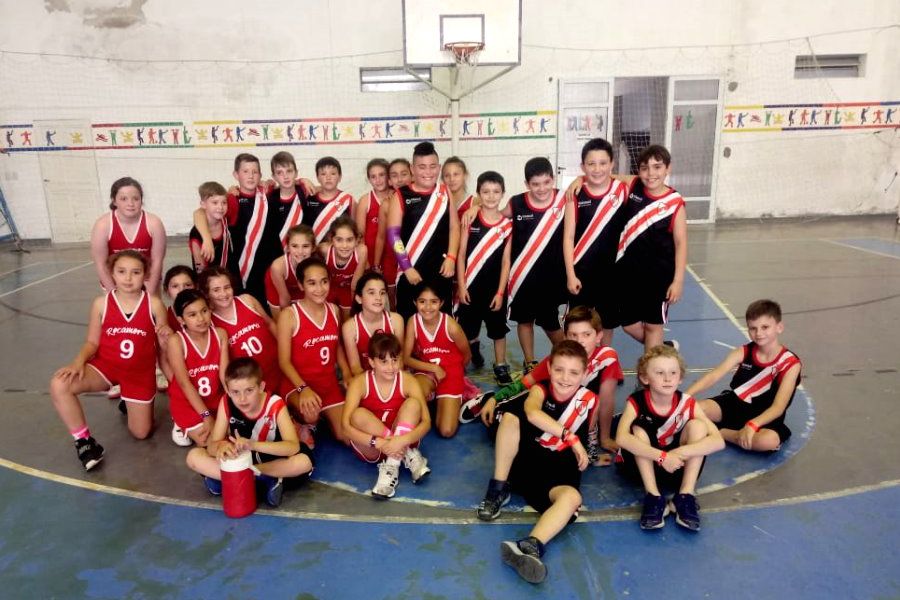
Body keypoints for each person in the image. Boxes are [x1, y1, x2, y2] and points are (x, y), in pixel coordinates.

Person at [476, 341, 596, 584]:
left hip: (558, 472)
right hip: (527, 462)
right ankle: (497, 488)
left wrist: (590, 453)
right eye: (559, 369)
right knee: (511, 418)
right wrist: (570, 437)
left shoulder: (590, 400)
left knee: (572, 498)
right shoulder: (540, 390)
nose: (565, 378)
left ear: (584, 374)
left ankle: (530, 545)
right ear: (549, 368)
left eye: (574, 372)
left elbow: (589, 433)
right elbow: (532, 413)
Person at [49, 250, 170, 470]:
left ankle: (129, 398)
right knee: (60, 384)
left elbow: (163, 349)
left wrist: (170, 372)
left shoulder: (154, 305)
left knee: (141, 433)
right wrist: (78, 362)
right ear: (111, 274)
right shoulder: (101, 304)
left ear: (145, 275)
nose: (128, 278)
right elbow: (92, 343)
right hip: (105, 367)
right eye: (121, 272)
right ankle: (84, 441)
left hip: (139, 374)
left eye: (135, 272)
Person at [615, 345, 724, 531]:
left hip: (676, 466)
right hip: (642, 468)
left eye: (673, 372)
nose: (667, 378)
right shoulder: (636, 401)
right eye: (659, 373)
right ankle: (653, 496)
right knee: (638, 431)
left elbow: (718, 441)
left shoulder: (687, 402)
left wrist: (680, 452)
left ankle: (685, 496)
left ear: (680, 378)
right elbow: (621, 438)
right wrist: (662, 456)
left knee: (698, 426)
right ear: (644, 378)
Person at [185, 357, 313, 508]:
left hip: (272, 460)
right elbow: (213, 445)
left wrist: (254, 445)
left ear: (261, 387)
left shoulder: (275, 404)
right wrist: (221, 447)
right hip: (241, 459)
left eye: (249, 390)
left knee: (304, 462)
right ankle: (265, 482)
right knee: (194, 457)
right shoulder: (226, 402)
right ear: (228, 390)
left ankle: (230, 481)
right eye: (235, 392)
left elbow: (292, 447)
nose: (242, 398)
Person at [687, 299, 802, 452]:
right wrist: (686, 396)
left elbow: (778, 407)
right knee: (696, 409)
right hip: (735, 404)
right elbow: (713, 376)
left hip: (765, 416)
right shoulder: (743, 351)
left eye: (765, 327)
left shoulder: (791, 364)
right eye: (753, 328)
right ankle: (732, 433)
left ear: (779, 327)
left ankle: (721, 433)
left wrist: (753, 425)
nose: (759, 333)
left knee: (768, 441)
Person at [615, 145, 687, 351]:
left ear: (668, 169)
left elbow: (681, 243)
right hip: (629, 274)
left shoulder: (675, 203)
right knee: (628, 324)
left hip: (659, 278)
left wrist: (678, 281)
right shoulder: (635, 185)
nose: (651, 173)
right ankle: (661, 349)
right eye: (645, 168)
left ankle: (649, 378)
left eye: (657, 167)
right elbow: (606, 176)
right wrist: (579, 179)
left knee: (654, 326)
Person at [342, 333, 431, 499]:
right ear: (371, 362)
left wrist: (402, 440)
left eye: (395, 360)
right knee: (357, 415)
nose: (391, 367)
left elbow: (426, 422)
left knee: (414, 404)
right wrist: (380, 442)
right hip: (373, 445)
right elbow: (345, 427)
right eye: (384, 361)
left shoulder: (408, 380)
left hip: (403, 437)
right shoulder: (360, 383)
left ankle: (391, 466)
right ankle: (407, 455)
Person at [562, 138, 628, 347]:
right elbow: (568, 237)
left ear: (612, 164)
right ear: (583, 166)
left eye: (602, 163)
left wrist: (581, 177)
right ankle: (578, 366)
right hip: (582, 272)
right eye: (591, 164)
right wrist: (571, 274)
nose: (597, 169)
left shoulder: (623, 190)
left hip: (613, 273)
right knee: (577, 323)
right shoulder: (575, 193)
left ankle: (604, 364)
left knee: (606, 325)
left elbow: (647, 178)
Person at [504, 157, 567, 372]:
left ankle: (565, 354)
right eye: (535, 184)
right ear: (526, 184)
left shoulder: (564, 199)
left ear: (553, 179)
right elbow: (496, 216)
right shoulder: (516, 203)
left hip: (551, 276)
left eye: (546, 182)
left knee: (551, 322)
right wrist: (475, 207)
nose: (542, 189)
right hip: (522, 276)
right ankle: (529, 361)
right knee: (524, 320)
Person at [278, 257, 348, 444]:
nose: (320, 288)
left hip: (327, 384)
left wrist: (347, 373)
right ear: (301, 285)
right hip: (298, 384)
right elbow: (283, 361)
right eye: (312, 283)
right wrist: (303, 389)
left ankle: (322, 417)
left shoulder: (334, 310)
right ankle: (299, 420)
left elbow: (337, 346)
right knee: (311, 416)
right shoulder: (290, 315)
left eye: (324, 282)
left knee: (345, 434)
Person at [386, 142, 459, 320]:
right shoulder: (401, 195)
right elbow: (393, 235)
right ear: (412, 168)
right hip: (411, 271)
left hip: (441, 269)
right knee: (408, 320)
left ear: (439, 167)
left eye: (433, 166)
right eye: (422, 167)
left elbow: (454, 227)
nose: (428, 172)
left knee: (442, 320)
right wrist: (407, 268)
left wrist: (451, 258)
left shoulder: (444, 191)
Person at [455, 170, 512, 384]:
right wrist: (461, 286)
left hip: (494, 289)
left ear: (503, 193)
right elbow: (461, 256)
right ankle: (469, 355)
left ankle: (500, 365)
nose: (490, 196)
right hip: (470, 286)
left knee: (498, 330)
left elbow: (506, 262)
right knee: (467, 331)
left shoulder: (507, 226)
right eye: (485, 192)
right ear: (479, 193)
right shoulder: (469, 219)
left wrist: (500, 292)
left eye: (496, 191)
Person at [200, 266, 284, 396]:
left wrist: (287, 352)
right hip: (251, 384)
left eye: (227, 287)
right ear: (207, 293)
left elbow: (270, 323)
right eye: (216, 290)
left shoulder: (247, 300)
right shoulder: (210, 322)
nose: (223, 294)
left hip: (278, 368)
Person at [403, 282, 470, 438]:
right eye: (422, 301)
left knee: (446, 431)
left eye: (433, 302)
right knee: (411, 399)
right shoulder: (413, 322)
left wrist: (458, 375)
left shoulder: (451, 326)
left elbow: (466, 354)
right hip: (426, 370)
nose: (427, 307)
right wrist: (433, 368)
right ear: (415, 302)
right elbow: (405, 358)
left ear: (441, 303)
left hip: (450, 372)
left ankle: (460, 396)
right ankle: (434, 398)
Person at [166, 289, 228, 448]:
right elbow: (184, 383)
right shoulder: (176, 341)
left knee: (236, 433)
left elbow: (224, 376)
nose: (201, 318)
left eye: (204, 311)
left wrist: (235, 405)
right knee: (214, 443)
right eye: (192, 315)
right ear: (181, 319)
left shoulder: (220, 334)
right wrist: (206, 416)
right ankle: (181, 423)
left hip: (215, 399)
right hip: (188, 404)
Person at [89, 177, 167, 296]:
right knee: (117, 313)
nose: (130, 204)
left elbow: (157, 261)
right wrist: (114, 295)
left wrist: (149, 293)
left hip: (147, 281)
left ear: (141, 200)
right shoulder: (103, 225)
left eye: (135, 198)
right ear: (114, 201)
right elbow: (101, 264)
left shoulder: (154, 223)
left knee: (151, 313)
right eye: (123, 199)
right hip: (115, 282)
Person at [342, 272, 405, 377]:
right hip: (365, 379)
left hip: (393, 375)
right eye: (372, 293)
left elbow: (400, 359)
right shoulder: (350, 327)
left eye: (382, 293)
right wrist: (375, 386)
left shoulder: (396, 320)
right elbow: (355, 368)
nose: (378, 298)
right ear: (359, 298)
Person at [263, 224, 315, 318]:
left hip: (299, 286)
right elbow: (285, 299)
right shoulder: (278, 266)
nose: (300, 251)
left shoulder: (316, 262)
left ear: (313, 248)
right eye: (294, 246)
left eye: (305, 246)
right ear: (287, 247)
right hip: (278, 285)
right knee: (281, 319)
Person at [321, 216, 367, 321]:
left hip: (348, 289)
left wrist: (353, 310)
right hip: (329, 288)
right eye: (339, 240)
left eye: (349, 240)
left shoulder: (361, 251)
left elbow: (355, 285)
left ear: (357, 240)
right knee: (329, 318)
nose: (344, 245)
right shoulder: (324, 250)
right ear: (331, 239)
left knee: (348, 320)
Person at [305, 156, 353, 244]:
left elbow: (355, 230)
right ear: (317, 177)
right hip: (311, 251)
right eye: (323, 174)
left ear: (340, 177)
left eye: (333, 174)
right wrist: (302, 180)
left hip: (337, 252)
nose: (328, 177)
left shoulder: (348, 200)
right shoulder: (309, 198)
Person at [355, 158, 392, 271]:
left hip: (393, 254)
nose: (378, 180)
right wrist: (364, 261)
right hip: (371, 256)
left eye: (381, 175)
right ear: (369, 179)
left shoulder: (397, 196)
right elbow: (360, 235)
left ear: (389, 176)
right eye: (373, 176)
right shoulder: (365, 200)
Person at [188, 181, 230, 273]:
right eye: (215, 203)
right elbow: (199, 267)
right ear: (203, 204)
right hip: (207, 281)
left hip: (228, 280)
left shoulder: (228, 224)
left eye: (224, 202)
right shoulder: (196, 233)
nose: (220, 207)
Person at [163, 265, 198, 333]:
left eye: (188, 285)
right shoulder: (163, 317)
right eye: (175, 286)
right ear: (167, 290)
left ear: (196, 287)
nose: (182, 290)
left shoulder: (207, 312)